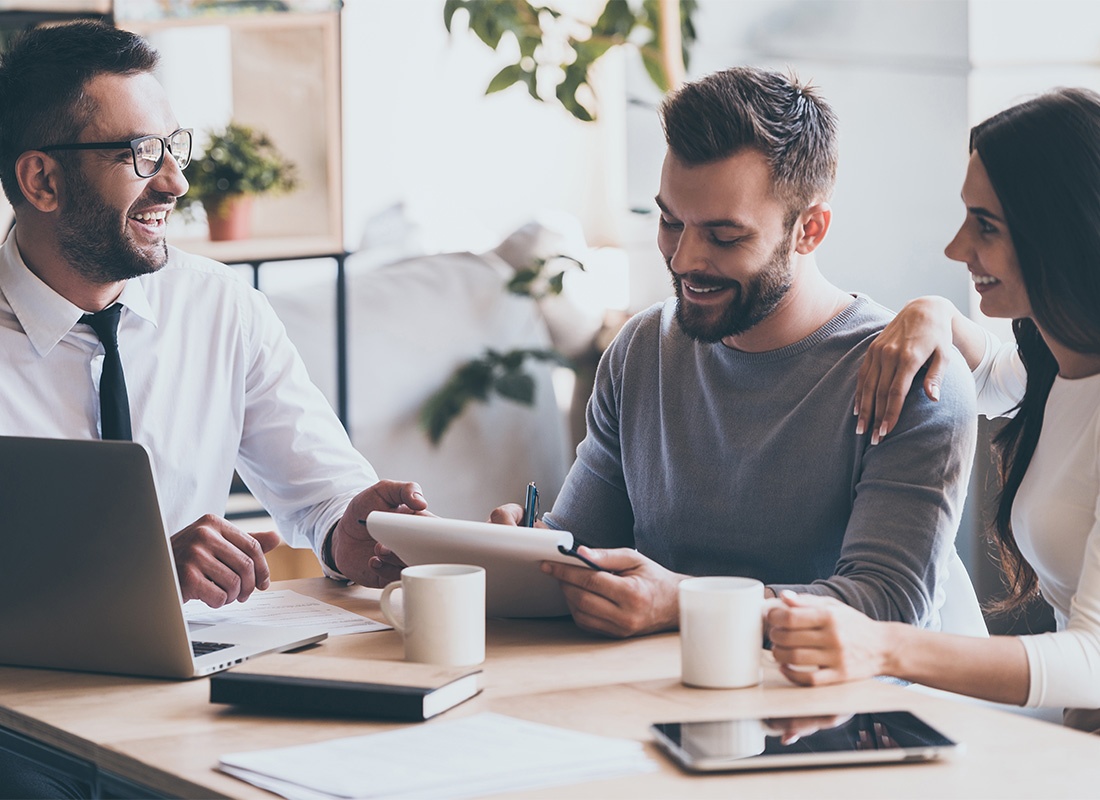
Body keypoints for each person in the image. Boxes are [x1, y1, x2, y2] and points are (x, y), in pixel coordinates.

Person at [491, 66, 978, 639]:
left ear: (810, 230)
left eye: (724, 236)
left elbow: (889, 604)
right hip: (651, 700)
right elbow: (586, 552)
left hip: (841, 718)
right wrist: (527, 554)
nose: (684, 260)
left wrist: (688, 602)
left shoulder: (909, 378)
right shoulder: (641, 351)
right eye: (672, 222)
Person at [0, 22, 415, 608]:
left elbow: (321, 491)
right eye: (143, 155)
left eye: (174, 146)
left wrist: (345, 532)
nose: (176, 181)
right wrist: (138, 575)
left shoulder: (222, 307)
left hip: (200, 678)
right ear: (42, 180)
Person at [768, 87, 1100, 734]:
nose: (956, 248)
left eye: (986, 226)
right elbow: (986, 378)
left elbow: (1093, 661)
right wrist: (931, 313)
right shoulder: (1059, 358)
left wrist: (881, 643)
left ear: (1061, 232)